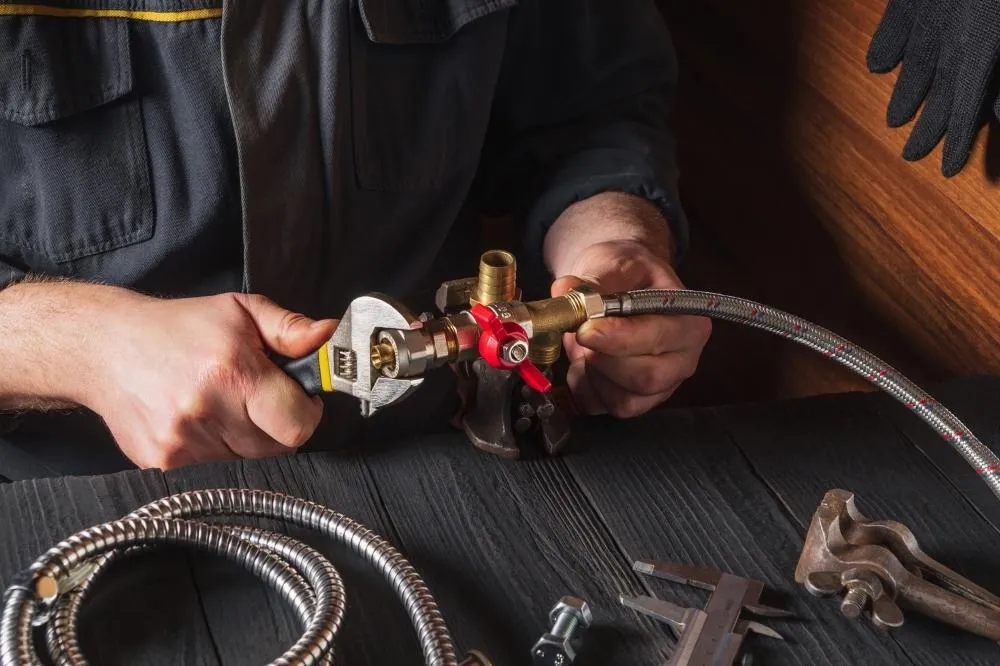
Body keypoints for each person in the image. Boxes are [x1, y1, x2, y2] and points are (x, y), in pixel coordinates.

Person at [0, 0, 711, 480]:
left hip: (435, 455)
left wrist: (615, 244)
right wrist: (92, 346)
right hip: (70, 487)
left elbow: (590, 118)